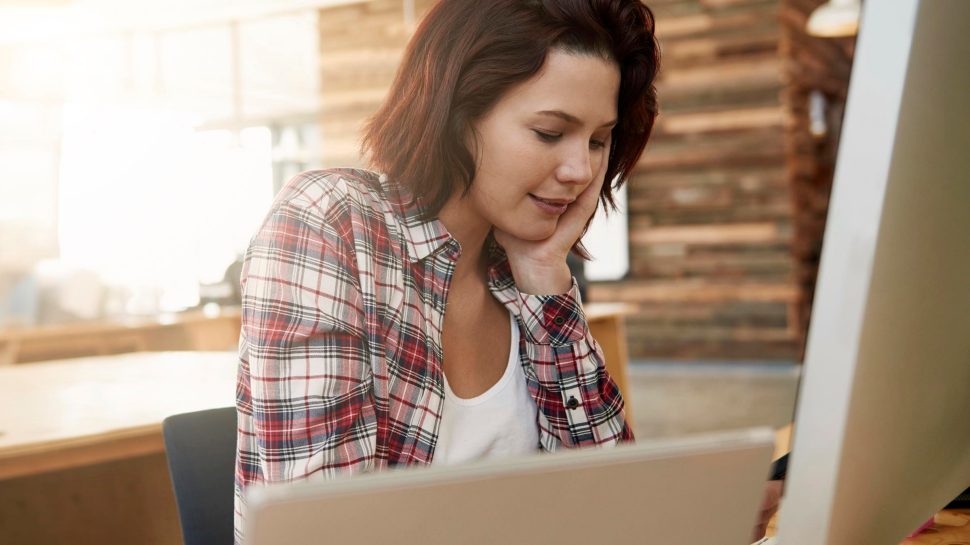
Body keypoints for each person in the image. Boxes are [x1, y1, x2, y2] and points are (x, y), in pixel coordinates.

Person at [234, 0, 779, 542]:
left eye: (596, 140)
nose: (580, 170)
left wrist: (543, 274)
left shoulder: (522, 267)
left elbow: (614, 500)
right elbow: (327, 531)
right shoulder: (331, 223)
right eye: (548, 132)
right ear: (455, 113)